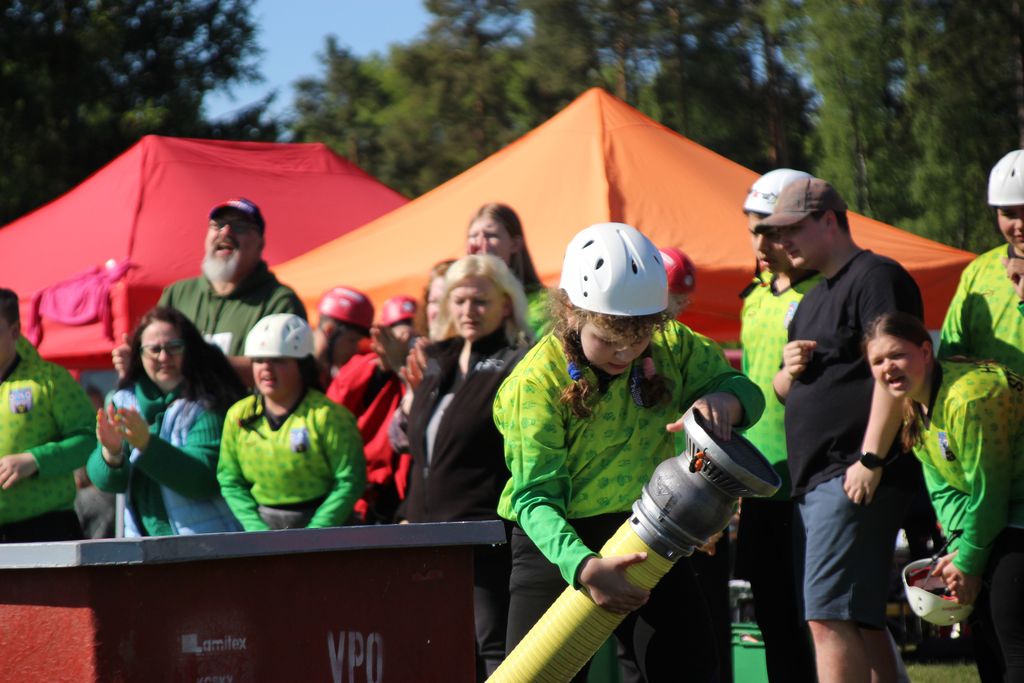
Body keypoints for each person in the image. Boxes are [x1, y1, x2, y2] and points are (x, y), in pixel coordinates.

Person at [495, 223, 764, 682]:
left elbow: (746, 392)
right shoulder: (534, 383)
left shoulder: (672, 344)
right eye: (608, 339)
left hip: (647, 531)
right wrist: (584, 567)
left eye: (637, 338)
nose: (624, 353)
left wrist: (726, 400)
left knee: (692, 667)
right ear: (571, 312)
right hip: (556, 543)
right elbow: (535, 498)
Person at [760, 178, 924, 683]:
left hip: (851, 473)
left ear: (829, 220)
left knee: (828, 617)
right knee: (859, 619)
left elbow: (896, 370)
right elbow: (785, 392)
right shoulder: (812, 299)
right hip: (819, 481)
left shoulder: (876, 277)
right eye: (775, 231)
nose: (781, 241)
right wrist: (788, 371)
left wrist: (871, 458)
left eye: (792, 228)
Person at [865, 311, 1024, 683]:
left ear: (925, 351)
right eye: (877, 361)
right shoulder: (914, 403)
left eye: (897, 355)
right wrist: (959, 550)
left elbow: (990, 490)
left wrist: (968, 562)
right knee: (987, 645)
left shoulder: (970, 398)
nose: (888, 367)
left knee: (1014, 642)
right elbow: (944, 488)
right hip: (997, 516)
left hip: (1013, 513)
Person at [395, 255, 531, 679]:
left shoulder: (518, 363)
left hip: (484, 536)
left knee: (492, 648)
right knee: (433, 645)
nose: (469, 310)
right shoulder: (436, 360)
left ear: (506, 305)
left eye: (480, 300)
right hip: (424, 536)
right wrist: (409, 513)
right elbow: (422, 454)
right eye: (460, 300)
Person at [734, 168, 818, 683]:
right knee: (770, 614)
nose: (761, 244)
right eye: (754, 231)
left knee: (818, 617)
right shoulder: (754, 296)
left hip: (811, 483)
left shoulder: (825, 294)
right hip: (759, 481)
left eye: (771, 230)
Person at [87, 307, 246, 536]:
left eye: (174, 347)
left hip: (207, 544)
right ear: (139, 355)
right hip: (141, 546)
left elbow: (203, 480)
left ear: (189, 349)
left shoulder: (209, 405)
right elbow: (108, 483)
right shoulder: (122, 401)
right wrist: (111, 453)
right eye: (154, 349)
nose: (164, 357)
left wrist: (146, 444)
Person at [114, 197, 306, 385]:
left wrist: (197, 360)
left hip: (245, 407)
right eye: (218, 225)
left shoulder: (279, 301)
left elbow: (284, 373)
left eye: (239, 227)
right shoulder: (178, 294)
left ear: (260, 243)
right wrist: (136, 362)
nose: (226, 232)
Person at [217, 313, 365, 531]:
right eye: (258, 360)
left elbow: (350, 479)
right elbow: (230, 479)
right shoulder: (238, 415)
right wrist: (257, 530)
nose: (266, 368)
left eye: (278, 360)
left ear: (301, 365)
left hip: (326, 529)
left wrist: (317, 531)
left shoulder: (328, 416)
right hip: (260, 527)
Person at [0, 288, 96, 542]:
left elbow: (89, 438)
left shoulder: (50, 379)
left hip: (46, 527)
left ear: (14, 331)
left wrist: (35, 460)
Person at [326, 295, 418, 524]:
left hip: (407, 497)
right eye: (395, 334)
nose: (403, 342)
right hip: (361, 496)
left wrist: (401, 366)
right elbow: (335, 407)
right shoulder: (361, 369)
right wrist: (384, 365)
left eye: (413, 337)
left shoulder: (429, 374)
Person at [940, 149, 1024, 374]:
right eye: (1009, 214)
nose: (1020, 224)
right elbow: (950, 350)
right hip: (988, 398)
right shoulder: (979, 270)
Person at [466, 203, 549, 338]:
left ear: (515, 244)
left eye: (491, 235)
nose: (480, 244)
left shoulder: (542, 304)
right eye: (473, 236)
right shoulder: (462, 303)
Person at [313, 286, 374, 384]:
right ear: (329, 330)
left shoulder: (329, 374)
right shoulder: (293, 374)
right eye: (352, 340)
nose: (355, 350)